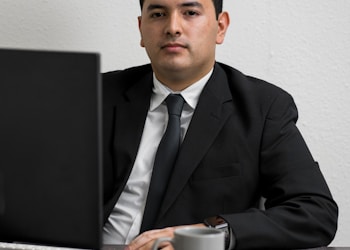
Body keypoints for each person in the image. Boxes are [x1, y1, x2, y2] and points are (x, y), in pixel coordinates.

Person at [101, 0, 338, 249]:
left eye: (190, 12)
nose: (173, 27)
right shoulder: (95, 95)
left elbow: (315, 212)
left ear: (220, 27)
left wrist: (210, 234)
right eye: (158, 14)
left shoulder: (263, 109)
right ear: (141, 28)